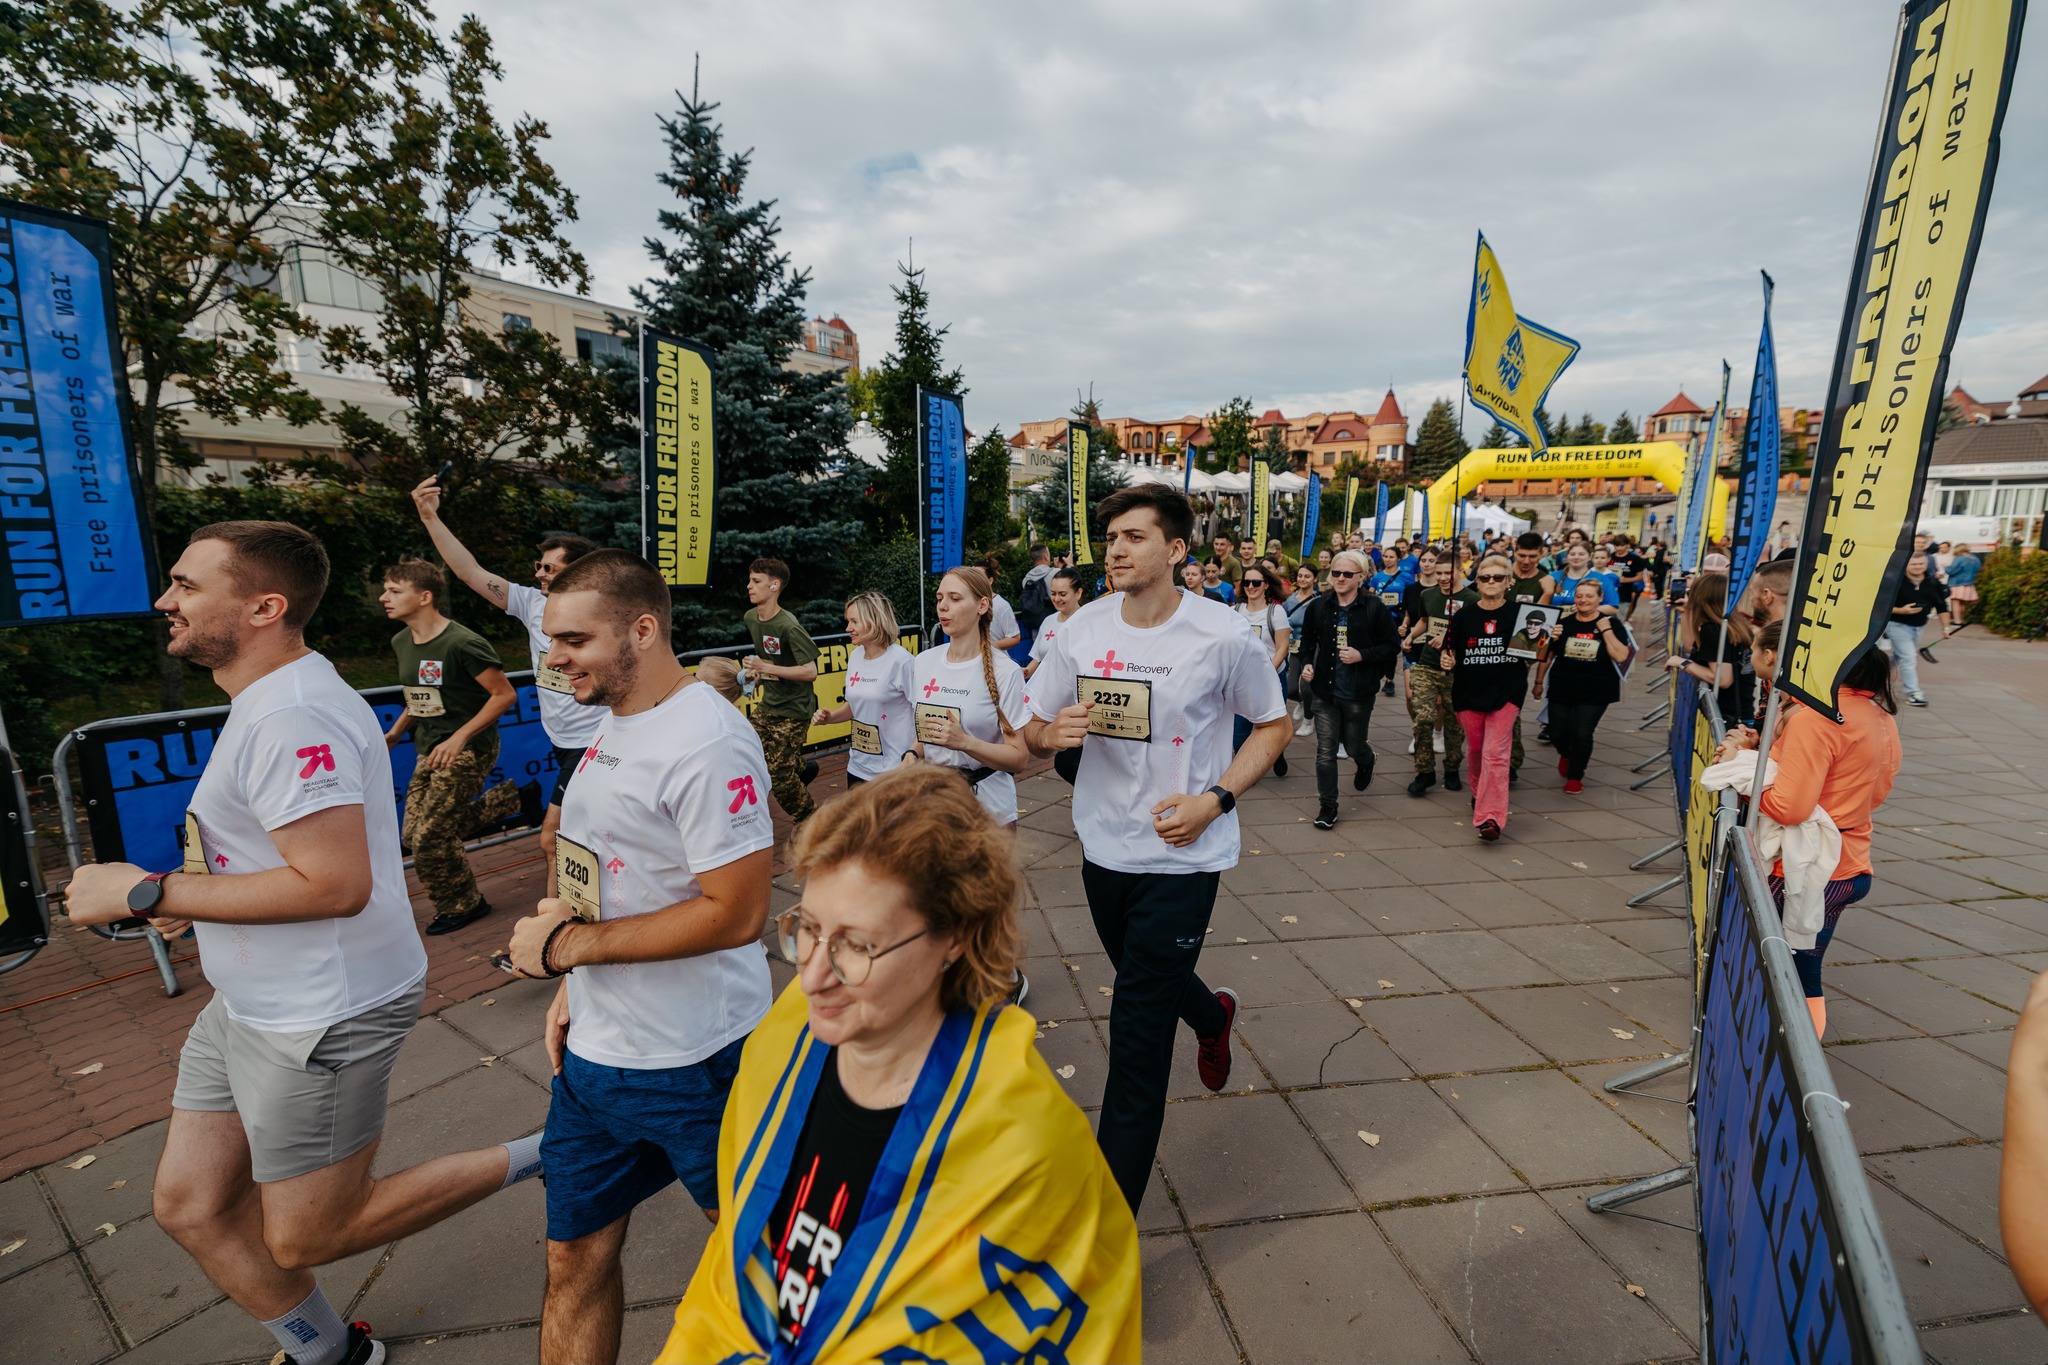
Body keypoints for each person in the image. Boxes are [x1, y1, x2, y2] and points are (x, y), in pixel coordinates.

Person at [65, 522, 541, 1365]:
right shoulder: (269, 697)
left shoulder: (292, 713)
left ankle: (558, 1148)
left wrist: (148, 892)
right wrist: (195, 901)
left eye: (186, 584)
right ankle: (332, 1354)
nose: (165, 599)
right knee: (190, 1205)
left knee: (312, 1231)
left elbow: (333, 883)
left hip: (321, 1011)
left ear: (264, 607)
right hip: (247, 1001)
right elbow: (265, 847)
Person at [657, 765, 1140, 1361]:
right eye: (807, 929)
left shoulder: (1022, 1144)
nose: (812, 976)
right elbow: (735, 1255)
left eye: (858, 945)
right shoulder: (783, 1037)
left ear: (954, 938)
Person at [503, 549, 776, 1365]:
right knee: (573, 1258)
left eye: (574, 640)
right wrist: (574, 984)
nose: (554, 658)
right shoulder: (614, 719)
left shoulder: (708, 739)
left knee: (768, 1268)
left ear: (643, 630)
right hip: (596, 1061)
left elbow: (739, 911)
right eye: (552, 640)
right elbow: (612, 877)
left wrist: (566, 950)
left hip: (699, 1062)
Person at [1023, 483, 1288, 1212]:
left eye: (1133, 536)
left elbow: (1273, 725)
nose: (1115, 549)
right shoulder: (1080, 630)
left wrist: (1216, 800)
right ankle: (1213, 1016)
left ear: (1174, 550)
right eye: (1111, 536)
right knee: (1147, 978)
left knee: (1136, 1037)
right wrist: (1051, 735)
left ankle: (1106, 1236)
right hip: (1103, 849)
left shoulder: (1222, 634)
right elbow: (1032, 729)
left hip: (1183, 856)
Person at [411, 478, 600, 899]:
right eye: (539, 566)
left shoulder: (603, 610)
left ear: (578, 571)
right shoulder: (531, 603)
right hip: (562, 741)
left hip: (594, 742)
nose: (539, 573)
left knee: (551, 838)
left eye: (549, 568)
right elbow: (469, 572)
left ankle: (553, 923)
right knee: (591, 831)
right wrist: (430, 517)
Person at [1715, 645, 1900, 1038]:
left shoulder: (1815, 717)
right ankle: (1790, 1053)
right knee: (1802, 967)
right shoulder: (1879, 716)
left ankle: (1789, 1057)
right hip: (1849, 860)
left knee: (1787, 969)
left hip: (1801, 868)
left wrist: (1740, 776)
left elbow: (1789, 807)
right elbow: (1877, 790)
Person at [378, 559, 532, 935]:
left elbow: (504, 695)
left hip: (468, 748)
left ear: (424, 597)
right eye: (385, 590)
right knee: (412, 836)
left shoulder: (463, 643)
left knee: (430, 838)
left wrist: (459, 736)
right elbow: (419, 695)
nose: (384, 597)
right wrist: (396, 733)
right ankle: (513, 800)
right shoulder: (401, 641)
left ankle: (464, 905)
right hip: (429, 747)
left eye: (394, 590)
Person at [912, 567, 1034, 829]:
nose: (943, 606)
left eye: (955, 598)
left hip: (988, 812)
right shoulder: (923, 663)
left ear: (982, 605)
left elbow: (1019, 758)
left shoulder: (1005, 672)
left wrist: (965, 742)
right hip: (934, 805)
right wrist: (911, 754)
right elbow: (929, 731)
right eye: (939, 598)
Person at [1297, 550, 1399, 829]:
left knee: (1354, 746)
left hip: (1358, 692)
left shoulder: (1373, 607)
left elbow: (1392, 646)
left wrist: (1362, 655)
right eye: (1336, 573)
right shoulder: (1319, 606)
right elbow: (1306, 643)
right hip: (1324, 690)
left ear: (1360, 577)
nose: (1340, 578)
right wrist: (1307, 664)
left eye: (1347, 574)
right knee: (1325, 751)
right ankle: (1328, 806)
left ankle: (1366, 761)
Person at [1440, 554, 1533, 841]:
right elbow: (1449, 652)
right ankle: (1480, 794)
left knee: (1495, 754)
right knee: (1477, 751)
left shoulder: (1522, 615)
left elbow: (1532, 653)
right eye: (1485, 577)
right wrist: (1447, 660)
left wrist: (1546, 635)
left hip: (1507, 693)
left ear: (1508, 582)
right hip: (1468, 693)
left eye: (1498, 577)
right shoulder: (1463, 616)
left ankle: (1490, 817)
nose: (1491, 582)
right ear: (1477, 582)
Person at [742, 557, 821, 827]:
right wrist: (757, 676)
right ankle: (802, 769)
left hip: (795, 709)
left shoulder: (789, 626)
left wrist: (764, 666)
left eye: (756, 581)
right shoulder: (751, 618)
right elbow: (771, 660)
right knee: (745, 750)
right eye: (750, 580)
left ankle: (811, 819)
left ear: (774, 586)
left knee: (779, 775)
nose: (749, 586)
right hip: (769, 705)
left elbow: (810, 671)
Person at [1532, 580, 1631, 793]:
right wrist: (1538, 682)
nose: (1583, 600)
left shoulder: (1612, 624)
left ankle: (1575, 776)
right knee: (1556, 732)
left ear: (1600, 598)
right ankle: (1566, 754)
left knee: (1581, 732)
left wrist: (1605, 630)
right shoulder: (1563, 624)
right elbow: (1546, 656)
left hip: (1596, 690)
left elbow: (1621, 655)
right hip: (1562, 686)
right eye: (1579, 596)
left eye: (1589, 596)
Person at [811, 591, 916, 789]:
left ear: (874, 621)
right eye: (848, 621)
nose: (848, 628)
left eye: (854, 621)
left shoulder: (901, 661)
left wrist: (914, 754)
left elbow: (921, 712)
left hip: (894, 769)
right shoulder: (856, 656)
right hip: (858, 766)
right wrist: (830, 718)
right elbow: (854, 706)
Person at [1400, 554, 1473, 796]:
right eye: (1439, 573)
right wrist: (1411, 636)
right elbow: (1424, 620)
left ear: (1460, 571)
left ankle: (1452, 769)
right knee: (1423, 717)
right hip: (1428, 664)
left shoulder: (1472, 599)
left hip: (1457, 670)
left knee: (1454, 724)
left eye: (1447, 573)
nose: (1442, 578)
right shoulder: (1427, 595)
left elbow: (1476, 635)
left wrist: (1452, 638)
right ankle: (1425, 771)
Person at [1670, 570, 1755, 730]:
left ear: (1701, 597)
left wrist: (1682, 663)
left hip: (1726, 717)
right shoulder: (1733, 624)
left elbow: (1722, 679)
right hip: (1741, 714)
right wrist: (1686, 613)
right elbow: (1692, 647)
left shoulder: (1713, 630)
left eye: (1692, 593)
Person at [1235, 565, 1291, 777]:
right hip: (1243, 680)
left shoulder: (1276, 612)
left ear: (1266, 585)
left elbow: (1282, 647)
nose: (1251, 586)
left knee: (1273, 725)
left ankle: (1277, 753)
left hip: (1271, 678)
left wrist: (1267, 672)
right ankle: (1245, 772)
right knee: (1239, 731)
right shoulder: (1235, 611)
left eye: (1256, 582)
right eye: (1246, 582)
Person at [1887, 550, 1948, 707]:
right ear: (1906, 564)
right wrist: (1901, 610)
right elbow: (1879, 605)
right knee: (1909, 657)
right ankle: (1913, 693)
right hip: (1896, 624)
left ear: (1926, 564)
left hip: (1919, 626)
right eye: (1914, 564)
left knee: (1900, 656)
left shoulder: (1933, 583)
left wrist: (1946, 627)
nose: (1918, 566)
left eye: (1921, 563)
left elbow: (1942, 607)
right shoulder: (1895, 581)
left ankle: (1876, 674)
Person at [1024, 565, 1086, 681]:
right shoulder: (1048, 621)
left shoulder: (1088, 622)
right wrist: (1026, 671)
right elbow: (1038, 658)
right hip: (1048, 686)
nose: (1057, 599)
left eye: (1062, 594)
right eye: (1053, 593)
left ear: (1078, 593)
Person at [1285, 562, 1320, 737]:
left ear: (1315, 579)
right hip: (1294, 647)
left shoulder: (1319, 601)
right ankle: (1301, 701)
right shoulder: (1289, 601)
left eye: (1307, 576)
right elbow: (1281, 620)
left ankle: (1308, 720)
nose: (1303, 579)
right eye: (1300, 576)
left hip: (1313, 648)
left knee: (1307, 686)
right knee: (1291, 688)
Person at [980, 553, 1025, 656]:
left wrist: (988, 648)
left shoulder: (1001, 605)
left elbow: (1015, 638)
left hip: (995, 661)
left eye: (979, 577)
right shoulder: (968, 603)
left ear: (990, 580)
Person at [1016, 541, 1056, 637]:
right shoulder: (1056, 574)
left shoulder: (1026, 579)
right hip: (1055, 623)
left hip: (1036, 628)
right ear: (1046, 557)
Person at [1946, 544, 1981, 628]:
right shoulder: (1975, 559)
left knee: (1955, 602)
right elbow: (1978, 570)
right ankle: (1961, 620)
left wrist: (1946, 567)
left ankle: (1957, 621)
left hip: (1957, 583)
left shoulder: (1959, 558)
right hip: (1969, 583)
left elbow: (1951, 570)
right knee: (1962, 603)